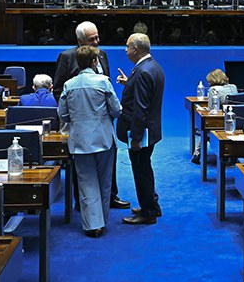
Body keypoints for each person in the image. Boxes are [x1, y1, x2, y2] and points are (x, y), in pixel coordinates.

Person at [53, 21, 129, 210]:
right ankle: (82, 201)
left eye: (97, 37)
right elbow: (57, 89)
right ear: (80, 41)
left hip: (104, 121)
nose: (97, 41)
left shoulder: (102, 54)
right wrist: (72, 113)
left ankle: (110, 196)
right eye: (91, 39)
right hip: (80, 121)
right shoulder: (67, 57)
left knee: (108, 161)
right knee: (82, 164)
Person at [58, 46, 122, 237]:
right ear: (95, 62)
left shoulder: (69, 85)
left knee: (86, 182)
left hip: (80, 141)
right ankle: (102, 220)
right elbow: (116, 110)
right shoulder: (104, 82)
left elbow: (63, 114)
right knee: (104, 181)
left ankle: (92, 224)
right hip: (103, 139)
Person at [116, 33, 165, 225]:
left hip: (140, 134)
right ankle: (151, 205)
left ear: (135, 49)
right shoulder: (152, 66)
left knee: (141, 171)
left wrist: (135, 138)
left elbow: (141, 108)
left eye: (127, 46)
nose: (126, 50)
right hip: (149, 130)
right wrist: (129, 83)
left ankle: (148, 213)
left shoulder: (143, 71)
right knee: (145, 168)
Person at [191, 69, 238, 164]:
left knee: (205, 126)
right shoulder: (233, 87)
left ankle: (197, 154)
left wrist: (201, 109)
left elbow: (212, 109)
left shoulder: (213, 90)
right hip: (232, 122)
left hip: (219, 123)